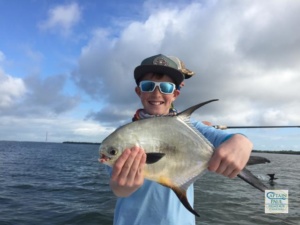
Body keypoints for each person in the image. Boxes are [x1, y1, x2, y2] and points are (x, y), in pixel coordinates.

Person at [107, 54, 253, 225]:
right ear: (139, 91)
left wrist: (242, 142)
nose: (156, 93)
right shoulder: (123, 136)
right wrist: (122, 188)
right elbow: (118, 188)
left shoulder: (192, 126)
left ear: (175, 94)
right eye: (148, 86)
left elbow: (233, 140)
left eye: (166, 87)